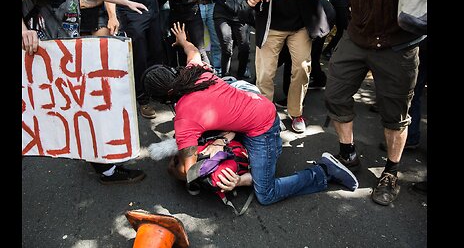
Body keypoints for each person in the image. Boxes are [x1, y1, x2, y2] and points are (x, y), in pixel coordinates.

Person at [143, 22, 358, 206]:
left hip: (263, 127)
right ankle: (238, 155)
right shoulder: (193, 70)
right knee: (199, 140)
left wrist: (179, 171)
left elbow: (191, 172)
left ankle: (324, 172)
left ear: (164, 98)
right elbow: (193, 51)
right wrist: (182, 40)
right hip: (251, 101)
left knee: (266, 193)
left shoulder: (184, 118)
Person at [260, 0, 426, 206]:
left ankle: (390, 172)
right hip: (357, 38)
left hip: (397, 45)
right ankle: (348, 154)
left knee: (394, 116)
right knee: (335, 95)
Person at [22, 0, 148, 184]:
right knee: (36, 122)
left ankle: (105, 167)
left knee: (83, 110)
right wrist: (24, 31)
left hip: (63, 62)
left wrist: (125, 2)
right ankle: (105, 167)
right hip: (45, 62)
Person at [244, 0, 331, 134]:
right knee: (264, 73)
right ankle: (266, 115)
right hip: (270, 24)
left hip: (301, 24)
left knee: (302, 68)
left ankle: (296, 113)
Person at [197, 0, 222, 75]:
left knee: (216, 40)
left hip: (213, 3)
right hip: (197, 3)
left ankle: (217, 69)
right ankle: (202, 70)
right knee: (198, 42)